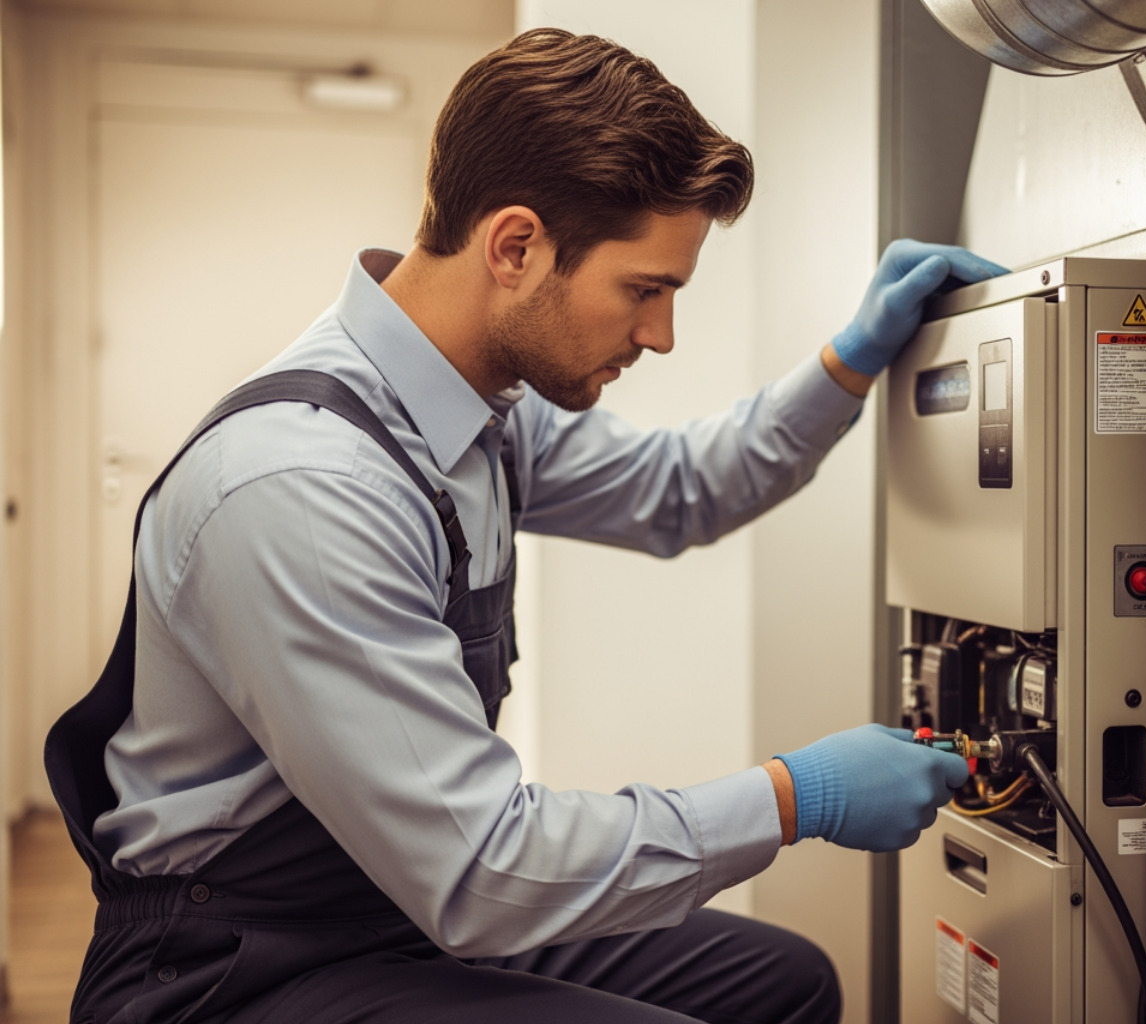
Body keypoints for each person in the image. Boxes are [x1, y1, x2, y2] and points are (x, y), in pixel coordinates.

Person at [44, 28, 1007, 1024]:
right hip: (229, 969)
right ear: (514, 246)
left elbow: (685, 490)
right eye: (646, 290)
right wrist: (794, 796)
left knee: (785, 980)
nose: (660, 336)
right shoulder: (304, 486)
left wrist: (849, 361)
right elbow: (478, 869)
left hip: (390, 904)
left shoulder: (486, 410)